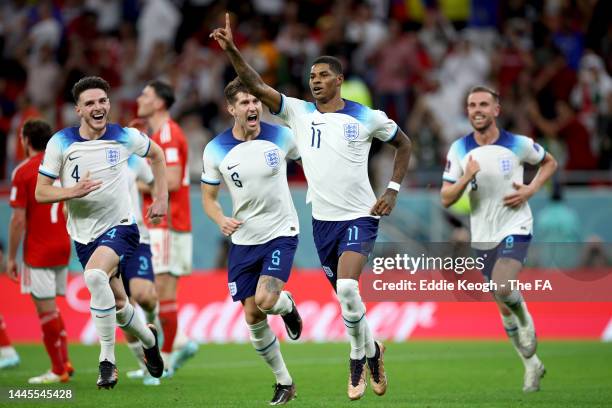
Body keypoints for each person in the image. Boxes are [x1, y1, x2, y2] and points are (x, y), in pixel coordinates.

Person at [211, 14, 412, 400]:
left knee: (350, 289)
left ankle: (356, 356)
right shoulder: (298, 113)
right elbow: (255, 84)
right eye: (312, 76)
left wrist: (392, 189)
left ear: (339, 79)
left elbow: (403, 143)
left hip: (360, 216)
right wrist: (234, 51)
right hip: (323, 223)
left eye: (322, 75)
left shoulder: (364, 117)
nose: (315, 80)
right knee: (346, 298)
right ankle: (374, 350)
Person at [35, 76, 166, 389]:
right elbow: (41, 193)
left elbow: (158, 156)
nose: (98, 107)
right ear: (79, 110)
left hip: (122, 227)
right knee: (120, 305)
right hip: (83, 236)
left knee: (94, 277)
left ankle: (107, 361)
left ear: (109, 104)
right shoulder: (61, 143)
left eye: (102, 101)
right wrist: (72, 191)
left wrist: (161, 198)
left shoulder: (124, 137)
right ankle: (149, 339)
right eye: (90, 103)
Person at [440, 85, 558, 392]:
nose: (476, 109)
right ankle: (531, 365)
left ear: (496, 110)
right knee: (501, 304)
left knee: (504, 285)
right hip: (483, 235)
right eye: (471, 105)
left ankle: (526, 318)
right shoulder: (459, 150)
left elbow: (550, 162)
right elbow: (446, 198)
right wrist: (466, 176)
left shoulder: (517, 144)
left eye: (483, 104)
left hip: (515, 224)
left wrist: (531, 189)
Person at [202, 78, 303, 405]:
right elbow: (209, 198)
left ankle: (286, 306)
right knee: (252, 316)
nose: (253, 107)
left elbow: (312, 162)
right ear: (231, 109)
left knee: (266, 299)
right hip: (244, 240)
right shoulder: (215, 149)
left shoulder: (281, 136)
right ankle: (284, 381)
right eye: (244, 102)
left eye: (255, 101)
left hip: (281, 232)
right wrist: (220, 219)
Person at [136, 80, 198, 374]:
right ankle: (177, 345)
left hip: (169, 221)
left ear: (160, 102)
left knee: (162, 291)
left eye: (146, 95)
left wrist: (132, 183)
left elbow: (171, 182)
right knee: (154, 292)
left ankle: (169, 356)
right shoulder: (156, 134)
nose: (140, 98)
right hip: (159, 222)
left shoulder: (169, 134)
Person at [7, 119, 73, 384]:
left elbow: (18, 220)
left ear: (24, 140)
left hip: (39, 250)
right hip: (62, 247)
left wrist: (11, 257)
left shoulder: (23, 171)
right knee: (54, 309)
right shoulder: (61, 166)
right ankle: (65, 362)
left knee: (45, 311)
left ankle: (58, 370)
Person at [122, 154, 164, 386]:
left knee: (144, 296)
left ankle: (153, 331)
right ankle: (146, 366)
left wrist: (159, 202)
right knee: (122, 307)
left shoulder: (132, 159)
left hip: (136, 237)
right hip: (104, 240)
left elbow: (154, 180)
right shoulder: (87, 156)